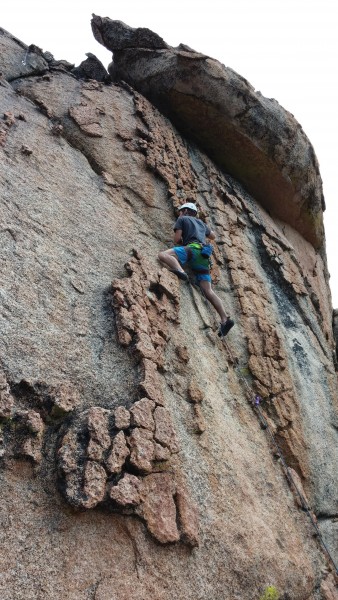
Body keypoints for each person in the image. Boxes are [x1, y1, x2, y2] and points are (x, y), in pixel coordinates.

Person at [158, 202, 234, 337]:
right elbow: (213, 236)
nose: (179, 213)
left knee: (163, 255)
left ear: (186, 211)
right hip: (204, 256)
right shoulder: (201, 223)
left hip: (192, 249)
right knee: (208, 290)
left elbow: (176, 240)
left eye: (181, 211)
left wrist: (184, 241)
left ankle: (180, 271)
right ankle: (224, 319)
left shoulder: (182, 219)